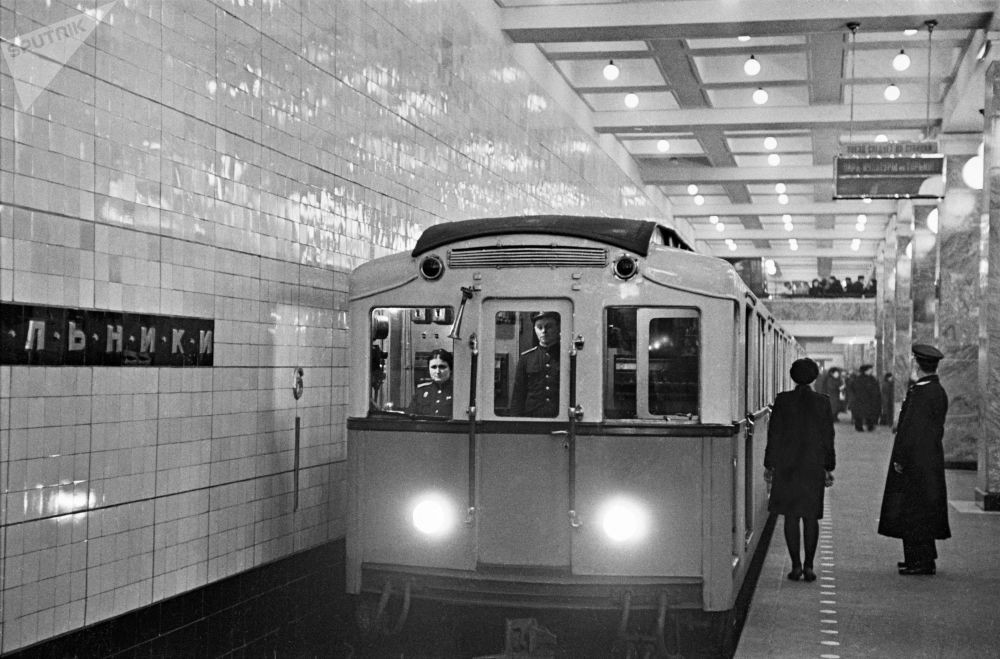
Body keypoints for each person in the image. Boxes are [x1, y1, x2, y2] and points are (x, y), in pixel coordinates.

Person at [877, 344, 950, 576]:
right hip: (927, 460)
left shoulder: (922, 392)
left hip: (916, 463)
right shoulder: (935, 390)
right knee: (921, 510)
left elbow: (911, 430)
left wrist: (900, 458)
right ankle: (919, 558)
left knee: (914, 512)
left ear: (917, 365)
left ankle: (921, 562)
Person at [764, 358, 836, 582]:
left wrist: (770, 465)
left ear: (793, 376)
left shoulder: (783, 401)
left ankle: (795, 566)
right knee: (811, 517)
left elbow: (773, 434)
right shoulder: (822, 402)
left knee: (791, 517)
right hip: (812, 466)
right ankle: (810, 566)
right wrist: (828, 466)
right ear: (814, 377)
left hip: (787, 466)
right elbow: (828, 437)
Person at [510, 311, 561, 417]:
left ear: (558, 328)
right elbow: (518, 395)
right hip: (532, 418)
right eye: (539, 327)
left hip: (559, 418)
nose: (544, 331)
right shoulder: (526, 358)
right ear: (534, 329)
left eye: (549, 326)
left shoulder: (565, 356)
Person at [407, 348, 453, 416]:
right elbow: (410, 417)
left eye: (442, 367)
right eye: (433, 367)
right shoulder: (421, 392)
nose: (437, 372)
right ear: (428, 370)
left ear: (451, 369)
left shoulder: (457, 392)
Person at [847, 364, 881, 431]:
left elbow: (876, 388)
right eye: (870, 369)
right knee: (863, 414)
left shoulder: (870, 379)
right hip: (863, 400)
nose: (871, 371)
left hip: (866, 400)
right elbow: (855, 389)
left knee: (867, 414)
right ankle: (862, 427)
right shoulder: (863, 379)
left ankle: (866, 426)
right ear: (866, 370)